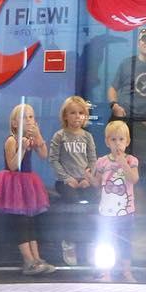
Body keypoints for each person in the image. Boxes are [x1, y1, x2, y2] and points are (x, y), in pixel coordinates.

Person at [0, 104, 56, 276]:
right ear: (14, 123)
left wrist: (38, 135)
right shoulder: (12, 140)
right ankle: (28, 261)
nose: (29, 120)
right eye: (24, 117)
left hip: (28, 183)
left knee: (30, 222)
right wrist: (22, 148)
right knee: (21, 223)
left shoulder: (31, 138)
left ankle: (37, 259)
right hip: (13, 184)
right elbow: (13, 166)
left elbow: (44, 155)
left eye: (31, 117)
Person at [108, 26, 146, 201]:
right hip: (125, 125)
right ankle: (120, 201)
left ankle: (142, 207)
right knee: (119, 164)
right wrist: (114, 105)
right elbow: (112, 88)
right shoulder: (127, 64)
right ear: (138, 42)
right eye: (143, 39)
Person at [48, 95, 97, 265]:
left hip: (84, 181)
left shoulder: (87, 137)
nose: (77, 116)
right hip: (65, 182)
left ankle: (90, 241)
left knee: (94, 203)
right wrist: (66, 178)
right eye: (73, 113)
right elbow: (53, 159)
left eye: (81, 113)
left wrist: (87, 178)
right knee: (74, 204)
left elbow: (92, 160)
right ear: (65, 116)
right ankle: (69, 241)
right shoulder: (59, 136)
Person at [90, 119, 140, 282]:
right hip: (106, 212)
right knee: (106, 241)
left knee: (126, 241)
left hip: (126, 211)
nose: (117, 144)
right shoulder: (102, 162)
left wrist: (122, 163)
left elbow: (133, 179)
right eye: (113, 139)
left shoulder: (131, 160)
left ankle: (126, 271)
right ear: (107, 141)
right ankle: (106, 272)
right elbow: (97, 183)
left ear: (127, 141)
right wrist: (88, 177)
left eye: (121, 139)